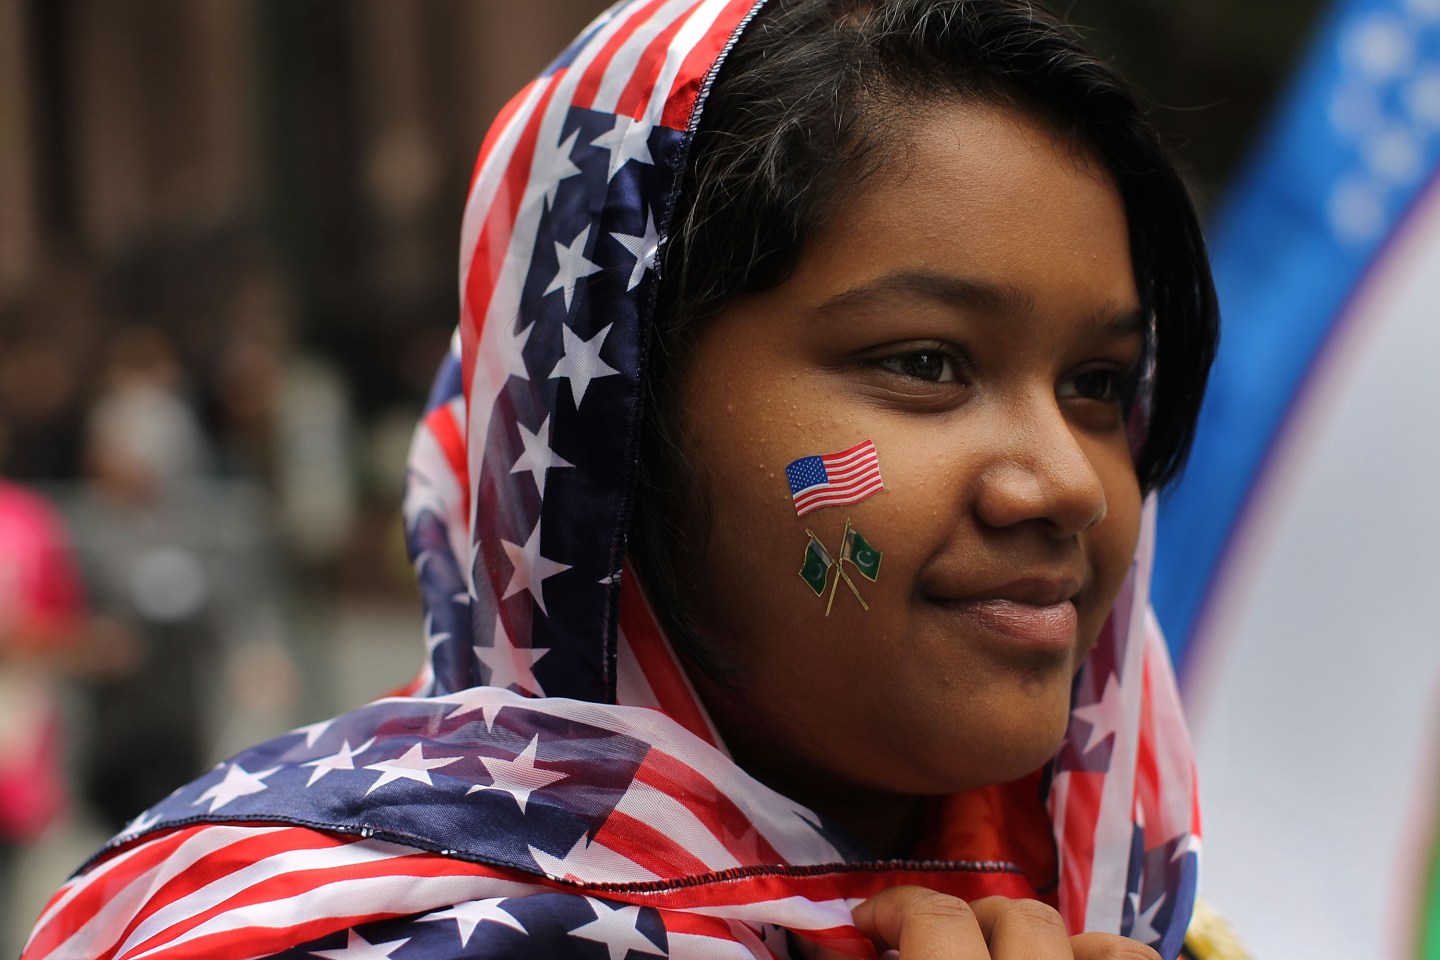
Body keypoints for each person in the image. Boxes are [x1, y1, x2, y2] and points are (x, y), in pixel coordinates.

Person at [21, 1, 1218, 958]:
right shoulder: (331, 931)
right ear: (613, 414)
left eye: (1098, 384)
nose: (1068, 482)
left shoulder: (1123, 900)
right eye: (924, 363)